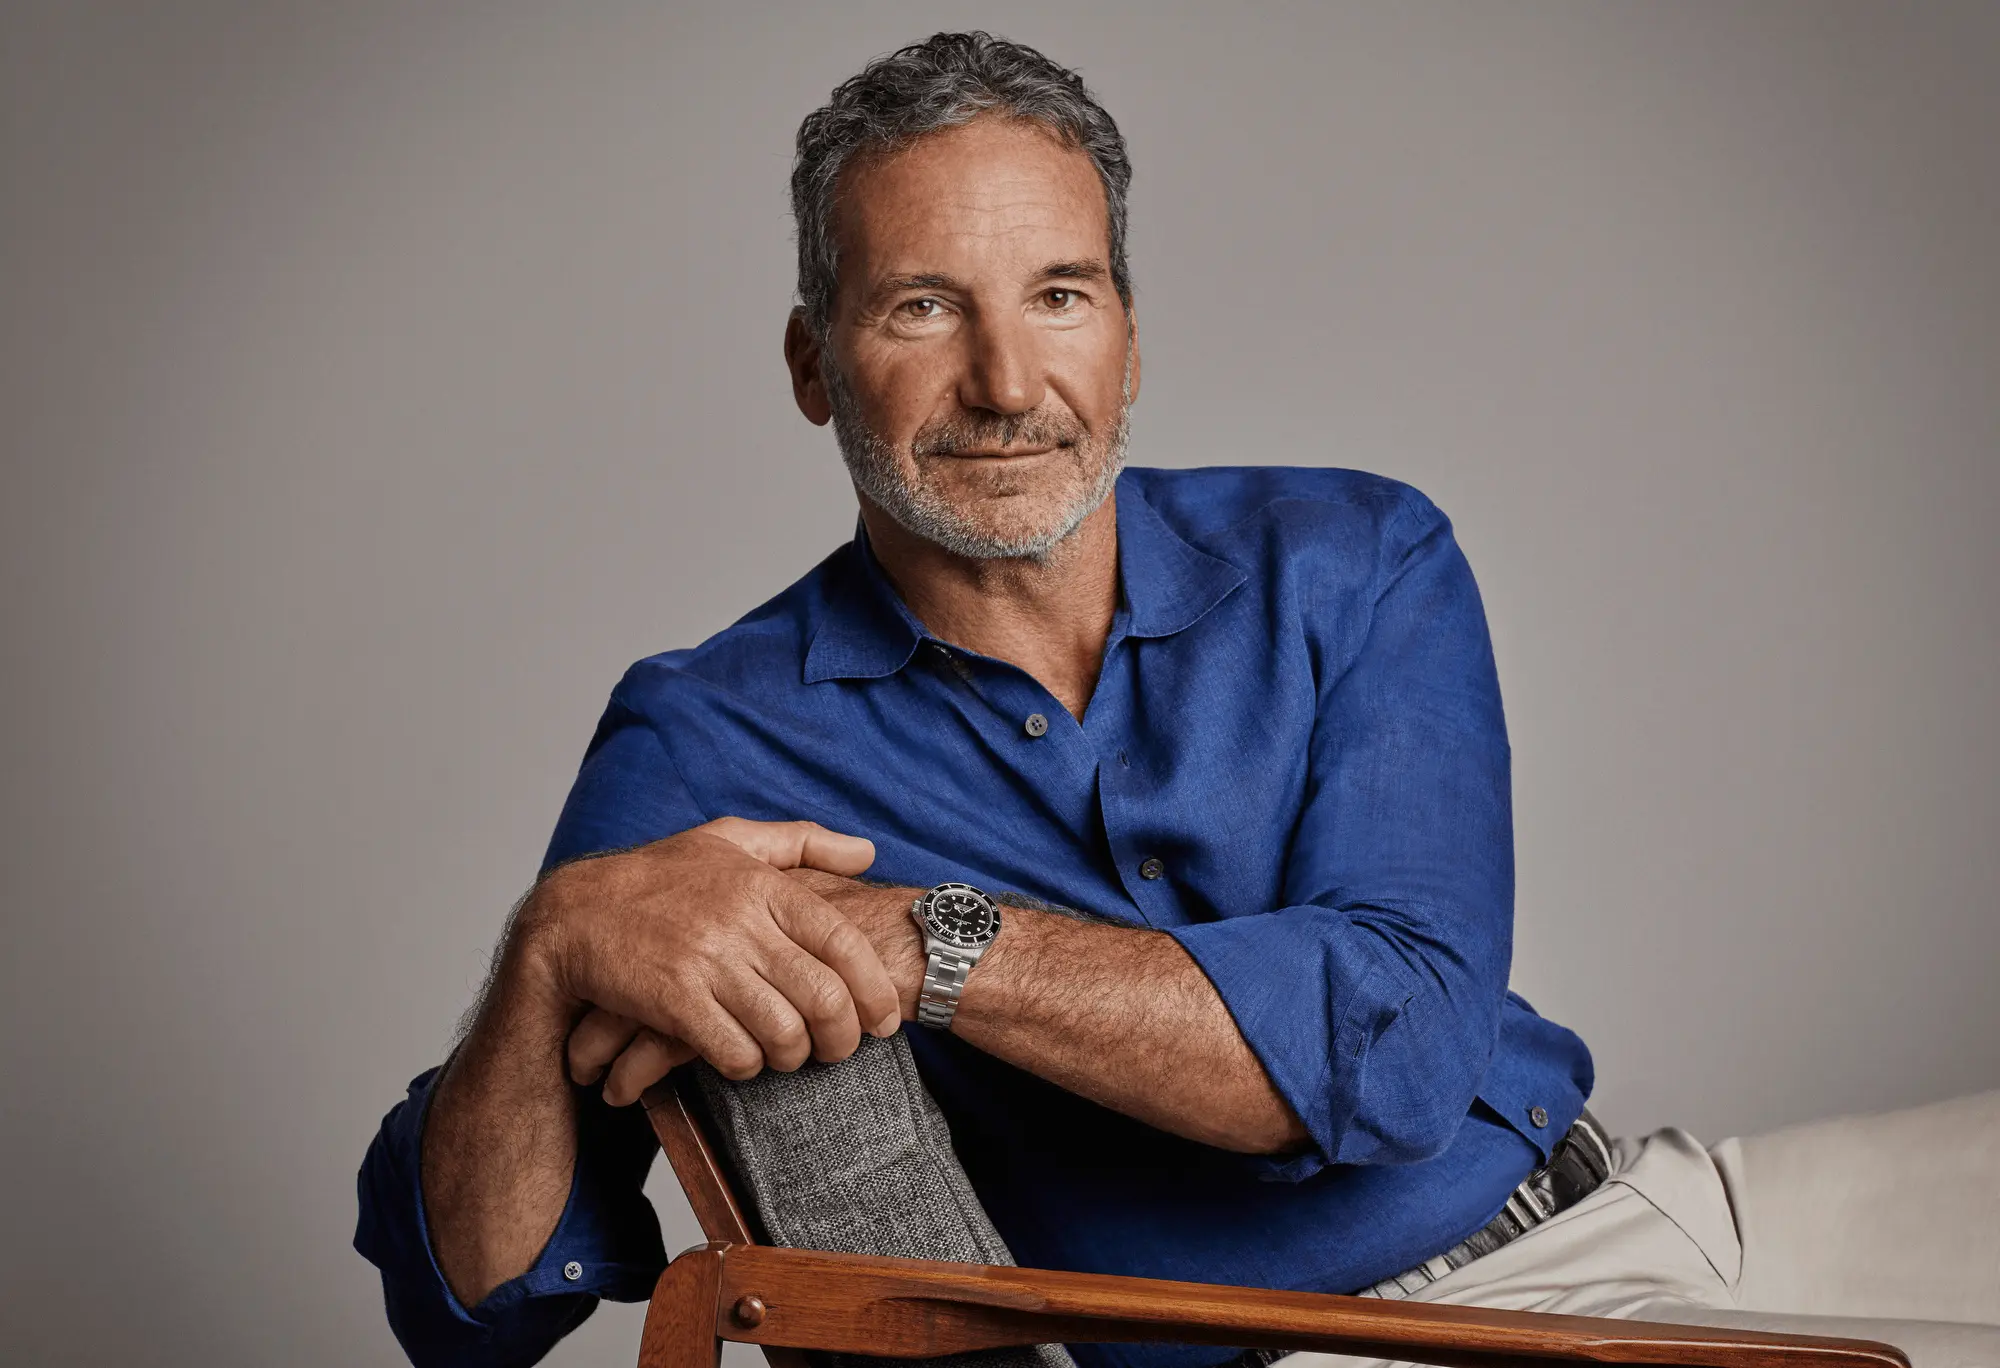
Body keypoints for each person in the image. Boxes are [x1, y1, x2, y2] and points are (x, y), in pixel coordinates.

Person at [355, 32, 2000, 1368]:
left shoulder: (1355, 552)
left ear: (1130, 340)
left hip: (1650, 1209)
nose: (1008, 385)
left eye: (1059, 296)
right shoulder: (711, 738)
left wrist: (927, 942)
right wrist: (549, 952)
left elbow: (1403, 1043)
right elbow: (481, 1305)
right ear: (814, 364)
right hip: (1336, 1351)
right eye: (924, 307)